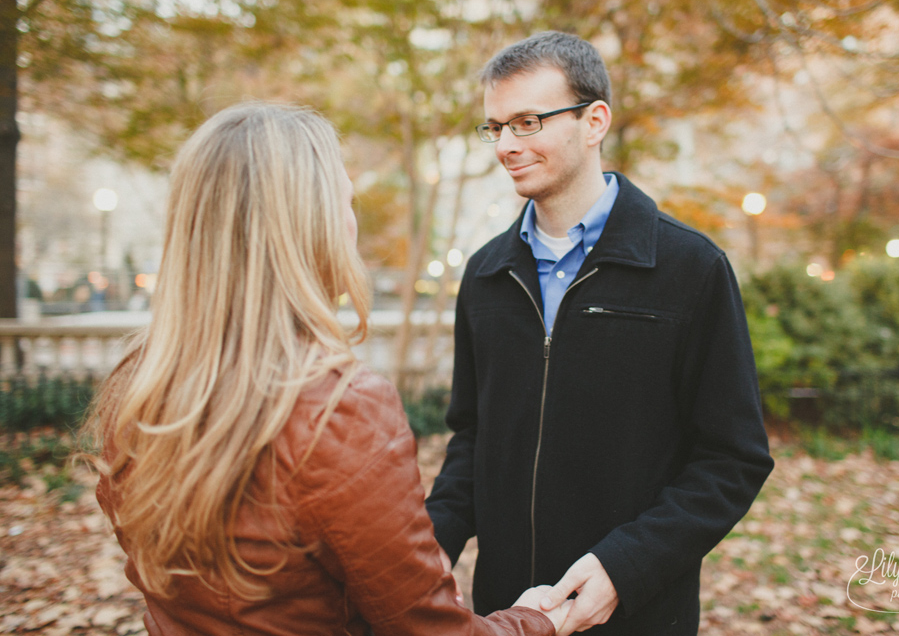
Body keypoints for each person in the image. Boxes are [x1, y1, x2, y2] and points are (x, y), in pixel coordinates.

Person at [85, 103, 574, 636]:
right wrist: (535, 620)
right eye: (346, 201)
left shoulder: (137, 385)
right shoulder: (336, 407)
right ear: (309, 224)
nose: (353, 221)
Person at [425, 32, 774, 635]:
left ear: (594, 122)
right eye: (496, 127)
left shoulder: (690, 269)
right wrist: (428, 551)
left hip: (638, 612)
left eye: (528, 122)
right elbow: (473, 438)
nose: (507, 145)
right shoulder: (485, 275)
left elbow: (732, 458)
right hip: (507, 614)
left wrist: (624, 567)